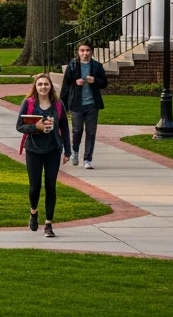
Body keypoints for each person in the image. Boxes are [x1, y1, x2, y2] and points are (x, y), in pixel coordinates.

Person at [16, 74, 72, 238]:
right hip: (33, 150)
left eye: (46, 84)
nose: (43, 87)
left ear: (50, 86)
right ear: (35, 86)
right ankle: (33, 212)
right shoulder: (29, 103)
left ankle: (48, 223)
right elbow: (19, 126)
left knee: (50, 187)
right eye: (40, 84)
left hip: (53, 149)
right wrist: (36, 128)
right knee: (35, 187)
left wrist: (67, 151)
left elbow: (65, 129)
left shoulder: (58, 104)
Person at [60, 41, 108, 169]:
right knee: (77, 130)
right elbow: (66, 85)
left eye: (87, 50)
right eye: (82, 50)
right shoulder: (73, 65)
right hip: (77, 103)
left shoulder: (97, 66)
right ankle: (75, 151)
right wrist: (61, 105)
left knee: (91, 132)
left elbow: (104, 83)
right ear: (78, 52)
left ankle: (87, 159)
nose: (85, 53)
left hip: (92, 104)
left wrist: (95, 81)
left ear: (91, 52)